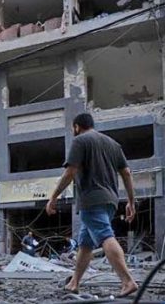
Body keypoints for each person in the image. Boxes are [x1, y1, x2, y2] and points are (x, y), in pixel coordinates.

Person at [46, 113, 138, 297]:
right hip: (110, 200)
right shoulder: (113, 144)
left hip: (91, 198)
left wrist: (53, 196)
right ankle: (74, 283)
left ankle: (127, 281)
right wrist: (130, 201)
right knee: (85, 243)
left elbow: (70, 172)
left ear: (77, 126)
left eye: (73, 128)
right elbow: (127, 173)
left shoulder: (80, 141)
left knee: (105, 235)